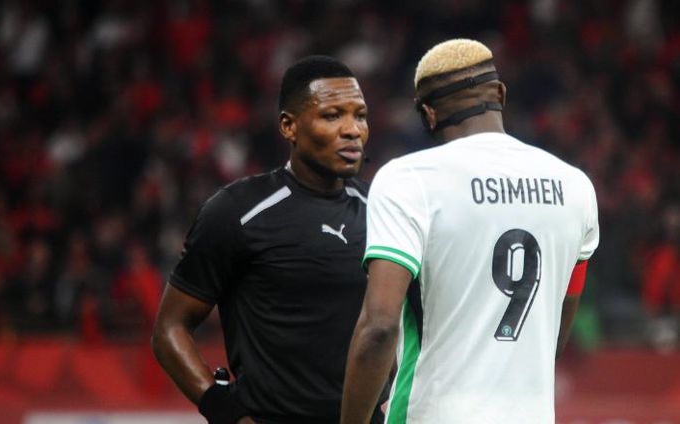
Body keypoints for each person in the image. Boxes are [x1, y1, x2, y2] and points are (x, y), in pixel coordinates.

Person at [340, 39, 600, 423]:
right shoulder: (575, 186)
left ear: (428, 114)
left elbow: (379, 327)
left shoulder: (408, 180)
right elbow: (556, 333)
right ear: (501, 94)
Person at [152, 55, 384, 423]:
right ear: (289, 126)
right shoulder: (237, 211)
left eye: (360, 115)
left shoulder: (384, 210)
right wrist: (227, 413)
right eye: (331, 115)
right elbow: (169, 328)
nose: (352, 129)